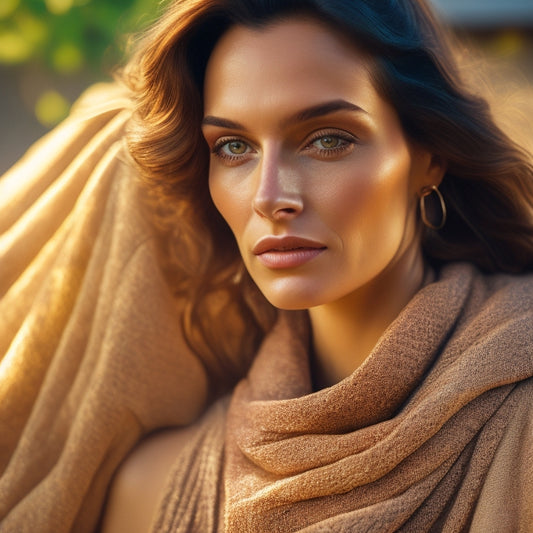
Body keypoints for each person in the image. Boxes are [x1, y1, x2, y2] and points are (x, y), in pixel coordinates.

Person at [0, 0, 532, 531]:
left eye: (327, 140)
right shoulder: (154, 491)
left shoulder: (520, 421)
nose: (269, 196)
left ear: (429, 156)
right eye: (233, 147)